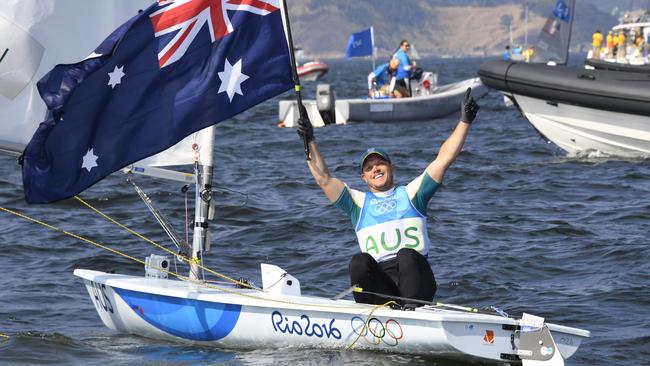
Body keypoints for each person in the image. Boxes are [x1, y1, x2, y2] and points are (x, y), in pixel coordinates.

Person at [296, 88, 480, 307]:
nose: (376, 169)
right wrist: (309, 139)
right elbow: (324, 179)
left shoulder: (413, 194)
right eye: (369, 167)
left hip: (418, 282)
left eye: (380, 164)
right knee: (359, 262)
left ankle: (411, 312)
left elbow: (443, 160)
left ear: (391, 167)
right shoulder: (358, 204)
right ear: (363, 177)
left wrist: (464, 121)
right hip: (383, 289)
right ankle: (372, 314)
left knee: (406, 255)